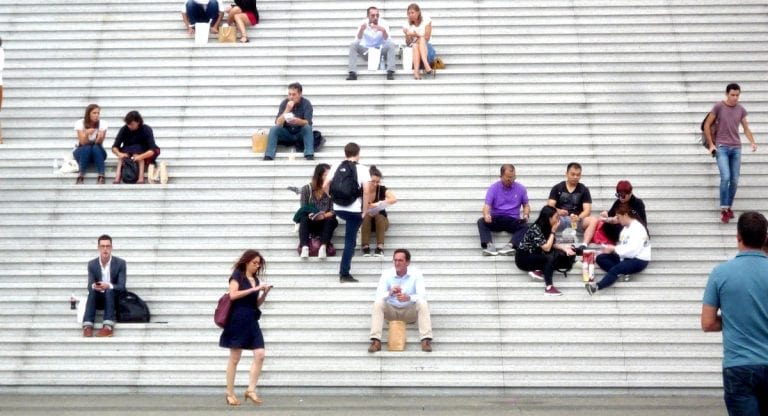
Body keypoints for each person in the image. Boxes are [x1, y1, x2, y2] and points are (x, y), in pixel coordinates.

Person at [701, 211, 768, 414]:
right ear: (765, 237)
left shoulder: (720, 273)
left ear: (738, 237)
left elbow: (708, 323)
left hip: (738, 366)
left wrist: (734, 317)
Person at [219, 250, 272, 406]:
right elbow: (233, 295)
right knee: (235, 358)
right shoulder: (237, 276)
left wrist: (264, 294)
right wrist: (254, 289)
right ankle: (229, 393)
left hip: (251, 319)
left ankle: (250, 389)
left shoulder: (256, 280)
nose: (257, 266)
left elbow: (254, 303)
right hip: (237, 320)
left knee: (260, 354)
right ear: (247, 262)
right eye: (254, 262)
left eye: (259, 264)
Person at [703, 83, 758, 224]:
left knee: (734, 180)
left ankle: (728, 207)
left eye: (737, 95)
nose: (735, 98)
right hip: (722, 147)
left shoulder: (741, 110)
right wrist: (711, 145)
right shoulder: (718, 107)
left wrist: (752, 141)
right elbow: (707, 125)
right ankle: (724, 209)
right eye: (732, 95)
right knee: (726, 177)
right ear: (727, 94)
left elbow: (746, 128)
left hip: (736, 148)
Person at [323, 142, 372, 283]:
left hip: (339, 208)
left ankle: (344, 272)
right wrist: (365, 210)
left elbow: (325, 185)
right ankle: (344, 273)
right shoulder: (362, 168)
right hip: (354, 209)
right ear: (358, 153)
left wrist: (332, 198)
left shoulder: (336, 166)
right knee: (349, 242)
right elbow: (367, 191)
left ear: (345, 153)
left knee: (349, 239)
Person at [368, 249, 433, 353]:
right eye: (395, 260)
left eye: (400, 260)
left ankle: (426, 340)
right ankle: (376, 341)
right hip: (391, 312)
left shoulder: (416, 273)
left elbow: (422, 295)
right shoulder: (387, 274)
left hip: (409, 312)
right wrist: (389, 293)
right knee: (378, 303)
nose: (397, 263)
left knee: (423, 303)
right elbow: (378, 295)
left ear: (407, 262)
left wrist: (409, 298)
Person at [586, 204, 651, 295]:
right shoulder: (626, 227)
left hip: (638, 260)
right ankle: (620, 274)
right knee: (600, 258)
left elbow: (632, 251)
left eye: (619, 217)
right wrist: (610, 249)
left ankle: (597, 286)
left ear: (625, 215)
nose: (618, 219)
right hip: (625, 256)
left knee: (616, 269)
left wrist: (613, 249)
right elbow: (624, 246)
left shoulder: (637, 229)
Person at [515, 206, 576, 296]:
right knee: (549, 258)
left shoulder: (547, 226)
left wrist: (564, 248)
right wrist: (553, 232)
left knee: (561, 253)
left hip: (536, 254)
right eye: (556, 217)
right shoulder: (535, 228)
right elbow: (547, 247)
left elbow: (552, 244)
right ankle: (549, 287)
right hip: (524, 259)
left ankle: (539, 270)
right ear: (549, 218)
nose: (558, 220)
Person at [478, 164, 530, 256]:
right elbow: (487, 205)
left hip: (512, 220)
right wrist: (486, 215)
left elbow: (526, 205)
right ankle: (489, 246)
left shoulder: (521, 189)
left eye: (513, 177)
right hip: (496, 219)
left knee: (525, 226)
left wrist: (525, 215)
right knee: (481, 221)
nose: (511, 180)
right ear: (501, 176)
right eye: (508, 177)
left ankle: (510, 246)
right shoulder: (493, 188)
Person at [82, 234, 126, 338]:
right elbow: (89, 285)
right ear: (98, 248)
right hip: (99, 297)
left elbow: (121, 286)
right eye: (102, 246)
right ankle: (87, 326)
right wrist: (95, 286)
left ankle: (108, 327)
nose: (105, 249)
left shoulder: (120, 263)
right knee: (92, 291)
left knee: (109, 290)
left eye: (107, 246)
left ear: (111, 248)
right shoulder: (92, 264)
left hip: (114, 298)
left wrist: (108, 286)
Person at [547, 162, 599, 250]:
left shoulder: (584, 189)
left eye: (578, 175)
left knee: (593, 220)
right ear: (566, 174)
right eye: (573, 174)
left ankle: (584, 245)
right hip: (560, 219)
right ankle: (549, 242)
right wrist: (559, 211)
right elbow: (549, 206)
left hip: (576, 220)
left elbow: (587, 210)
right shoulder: (557, 188)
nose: (575, 177)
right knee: (546, 217)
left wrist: (578, 217)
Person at [263, 82, 314, 161]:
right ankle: (269, 155)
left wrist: (298, 121)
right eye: (289, 94)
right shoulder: (284, 103)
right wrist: (287, 110)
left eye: (294, 94)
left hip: (299, 133)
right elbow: (278, 123)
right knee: (274, 129)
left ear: (300, 94)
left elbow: (308, 122)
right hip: (287, 133)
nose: (291, 97)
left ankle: (309, 154)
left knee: (307, 128)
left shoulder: (306, 104)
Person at [298, 163, 338, 259]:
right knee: (303, 219)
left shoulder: (333, 189)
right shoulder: (306, 189)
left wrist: (323, 216)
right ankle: (305, 247)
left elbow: (335, 210)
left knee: (332, 220)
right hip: (311, 220)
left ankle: (323, 247)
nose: (328, 178)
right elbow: (304, 208)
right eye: (326, 175)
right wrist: (312, 215)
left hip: (325, 220)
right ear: (319, 176)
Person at [347, 6, 396, 81]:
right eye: (373, 15)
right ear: (367, 16)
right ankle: (352, 72)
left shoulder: (384, 23)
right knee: (353, 44)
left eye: (377, 15)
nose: (375, 17)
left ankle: (390, 71)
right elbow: (358, 39)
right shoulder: (362, 24)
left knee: (391, 44)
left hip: (380, 51)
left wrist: (383, 31)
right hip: (367, 52)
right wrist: (361, 30)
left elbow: (388, 40)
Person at [111, 111, 161, 184]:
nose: (129, 126)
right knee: (122, 156)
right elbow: (115, 147)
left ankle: (141, 178)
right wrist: (119, 154)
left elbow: (152, 150)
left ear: (138, 122)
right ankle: (117, 178)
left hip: (143, 152)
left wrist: (140, 156)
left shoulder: (146, 129)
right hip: (128, 151)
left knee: (137, 152)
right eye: (128, 124)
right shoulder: (124, 129)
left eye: (132, 124)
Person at [361, 165, 397, 257]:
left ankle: (380, 247)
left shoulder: (381, 189)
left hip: (381, 222)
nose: (375, 184)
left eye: (377, 182)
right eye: (373, 181)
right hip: (366, 222)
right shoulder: (361, 189)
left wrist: (378, 203)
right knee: (367, 215)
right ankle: (365, 247)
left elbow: (394, 199)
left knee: (379, 215)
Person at [73, 104, 109, 184]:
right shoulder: (80, 123)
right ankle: (81, 175)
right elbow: (82, 142)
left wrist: (99, 138)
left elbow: (99, 143)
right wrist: (86, 134)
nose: (97, 115)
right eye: (94, 113)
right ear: (88, 113)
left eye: (98, 113)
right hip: (82, 151)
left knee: (95, 147)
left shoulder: (103, 124)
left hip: (97, 152)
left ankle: (101, 175)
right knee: (87, 147)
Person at [403, 3, 434, 80]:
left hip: (427, 50)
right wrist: (407, 35)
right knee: (414, 45)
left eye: (412, 12)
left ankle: (422, 66)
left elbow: (427, 38)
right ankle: (421, 69)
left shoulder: (426, 20)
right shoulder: (407, 25)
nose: (410, 15)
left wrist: (415, 34)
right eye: (409, 13)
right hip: (415, 53)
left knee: (422, 39)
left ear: (418, 12)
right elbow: (408, 43)